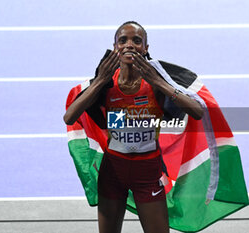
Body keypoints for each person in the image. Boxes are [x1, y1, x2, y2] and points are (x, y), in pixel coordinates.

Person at [64, 21, 204, 233]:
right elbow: (69, 117)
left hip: (148, 175)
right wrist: (99, 81)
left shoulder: (155, 83)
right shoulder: (107, 84)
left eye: (137, 41)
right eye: (123, 40)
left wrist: (160, 84)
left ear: (146, 48)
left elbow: (197, 111)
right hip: (113, 173)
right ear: (115, 47)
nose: (129, 45)